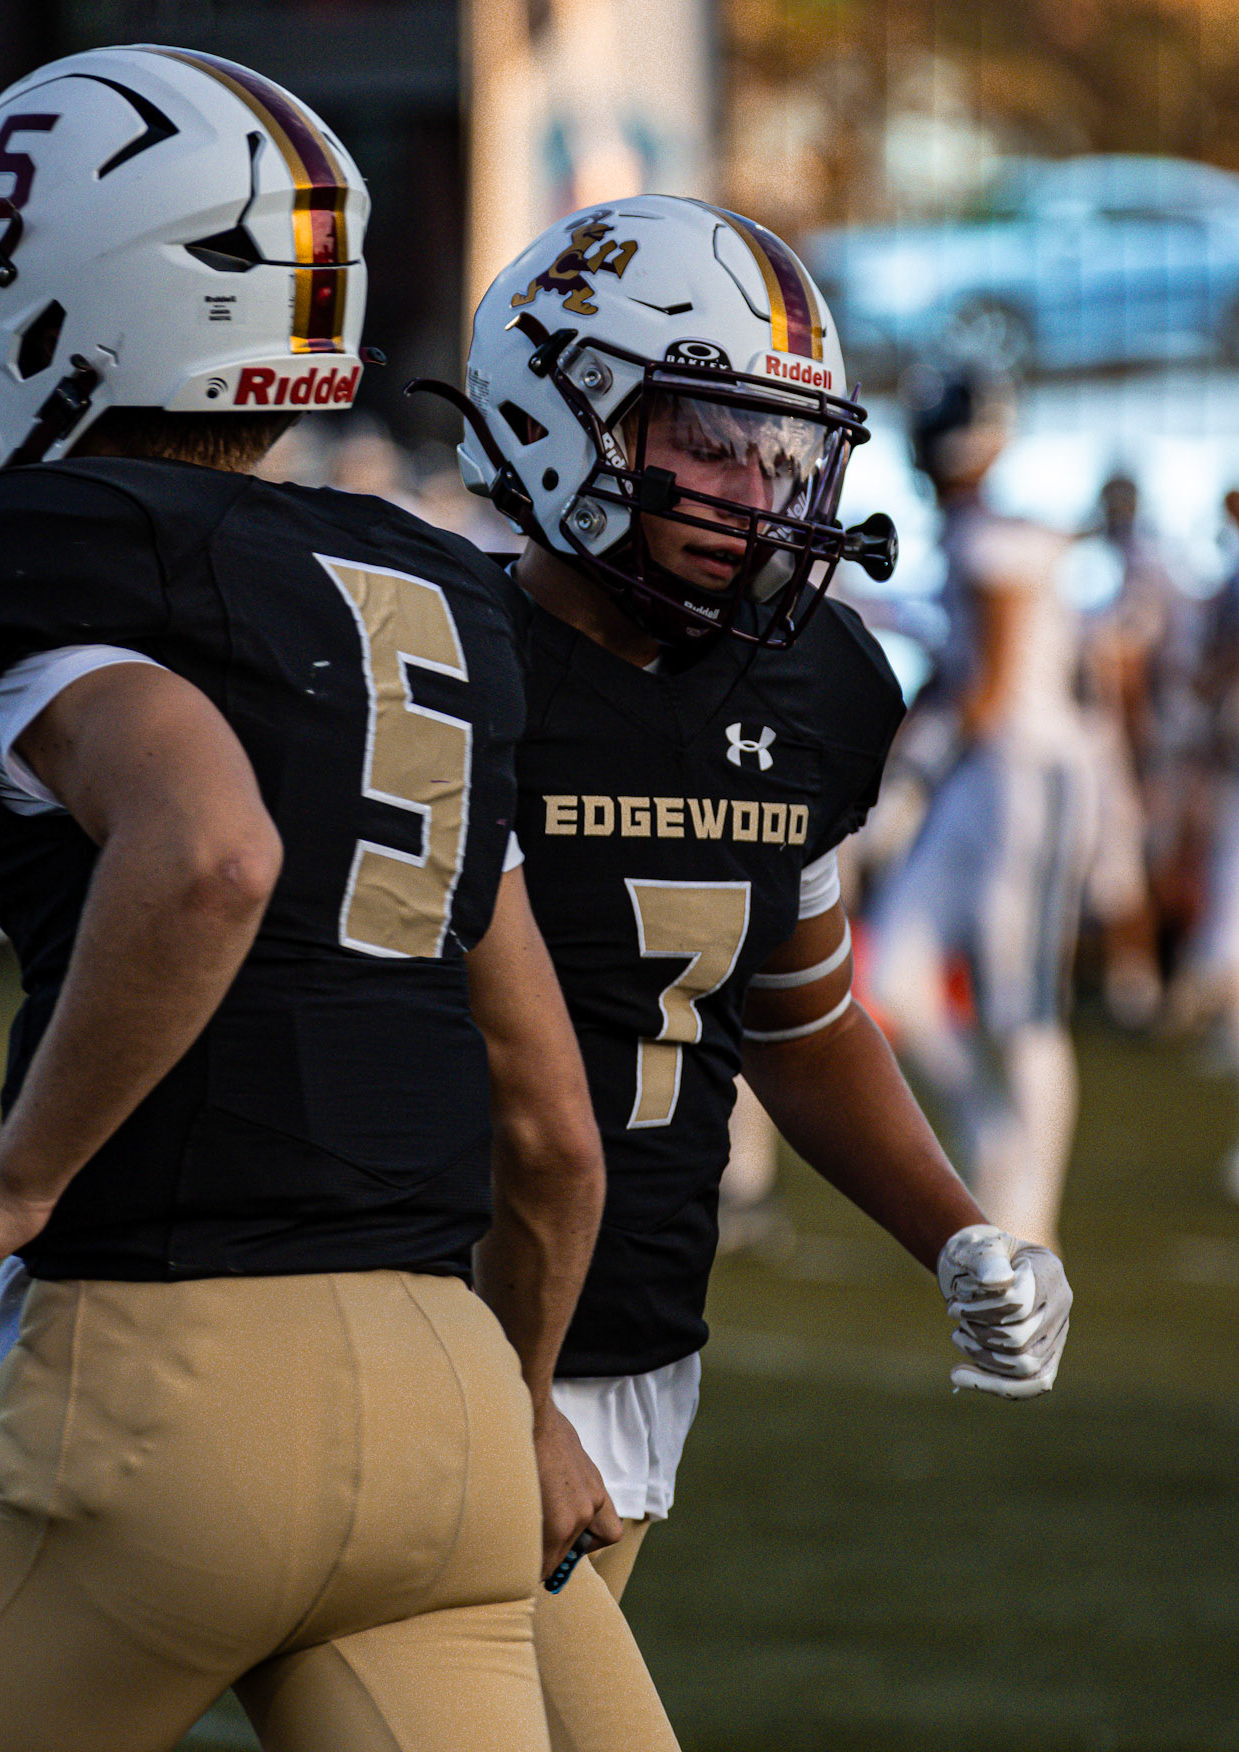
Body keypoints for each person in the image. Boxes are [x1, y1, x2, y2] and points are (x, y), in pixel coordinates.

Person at [0, 45, 621, 1752]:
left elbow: (210, 851)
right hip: (451, 1406)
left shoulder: (56, 544)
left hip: (175, 1383)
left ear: (78, 301)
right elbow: (553, 1130)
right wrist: (520, 1404)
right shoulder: (433, 591)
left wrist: (9, 1181)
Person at [437, 199, 1073, 1750]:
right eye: (712, 439)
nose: (758, 490)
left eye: (782, 451)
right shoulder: (437, 663)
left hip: (642, 1336)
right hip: (438, 1328)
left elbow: (799, 1013)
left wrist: (954, 1231)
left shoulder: (812, 684)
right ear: (561, 413)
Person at [866, 367, 1097, 1251]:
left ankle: (1032, 1220)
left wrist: (908, 780)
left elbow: (991, 689)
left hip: (1025, 776)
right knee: (896, 980)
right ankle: (990, 1136)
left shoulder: (995, 539)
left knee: (1019, 1005)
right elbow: (956, 676)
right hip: (981, 778)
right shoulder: (975, 534)